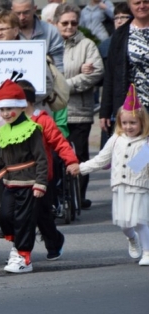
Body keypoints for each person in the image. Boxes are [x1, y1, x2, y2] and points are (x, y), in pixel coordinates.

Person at [73, 84, 149, 265]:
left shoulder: (146, 143)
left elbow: (140, 167)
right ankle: (132, 239)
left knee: (139, 220)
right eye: (125, 123)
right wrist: (81, 168)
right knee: (125, 225)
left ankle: (147, 251)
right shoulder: (116, 139)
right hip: (120, 187)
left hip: (139, 188)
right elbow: (101, 159)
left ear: (142, 123)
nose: (129, 127)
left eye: (133, 123)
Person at [0, 79, 48, 274]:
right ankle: (16, 246)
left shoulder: (31, 130)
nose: (5, 114)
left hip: (29, 182)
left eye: (10, 108)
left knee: (24, 220)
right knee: (5, 217)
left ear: (20, 107)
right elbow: (2, 156)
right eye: (2, 110)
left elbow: (41, 158)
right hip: (9, 181)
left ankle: (24, 257)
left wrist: (41, 183)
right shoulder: (4, 131)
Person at [17, 79, 79, 260]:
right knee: (21, 216)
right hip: (18, 177)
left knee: (43, 217)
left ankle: (54, 241)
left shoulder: (43, 120)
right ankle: (21, 252)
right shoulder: (11, 120)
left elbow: (60, 143)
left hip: (41, 177)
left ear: (26, 102)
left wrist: (71, 161)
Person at [55, 3, 104, 209]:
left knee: (80, 156)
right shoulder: (50, 45)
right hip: (55, 111)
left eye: (73, 22)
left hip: (79, 112)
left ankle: (79, 196)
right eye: (64, 23)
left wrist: (64, 85)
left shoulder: (87, 45)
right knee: (56, 156)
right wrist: (76, 74)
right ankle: (58, 195)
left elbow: (95, 72)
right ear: (55, 24)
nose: (69, 26)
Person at [100, 0, 148, 146]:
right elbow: (110, 74)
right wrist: (105, 111)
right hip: (133, 106)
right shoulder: (121, 34)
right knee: (136, 151)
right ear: (130, 5)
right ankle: (139, 168)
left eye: (146, 2)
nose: (141, 6)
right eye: (137, 3)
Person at [97, 2, 132, 148]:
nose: (119, 20)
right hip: (118, 103)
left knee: (143, 148)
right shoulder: (107, 45)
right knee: (120, 148)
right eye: (116, 17)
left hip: (140, 101)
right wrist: (105, 110)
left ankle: (138, 169)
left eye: (124, 17)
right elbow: (107, 79)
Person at [11, 0, 64, 72]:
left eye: (26, 12)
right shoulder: (2, 31)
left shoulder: (51, 31)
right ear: (12, 10)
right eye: (17, 13)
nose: (22, 17)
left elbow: (58, 66)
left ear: (34, 9)